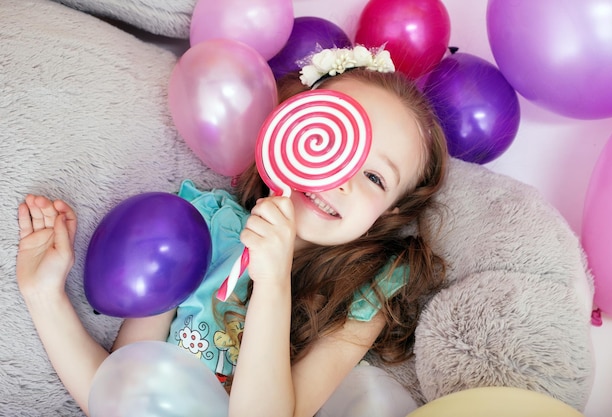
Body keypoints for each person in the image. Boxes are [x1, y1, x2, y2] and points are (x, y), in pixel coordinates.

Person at [16, 46, 449, 417]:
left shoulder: (367, 290)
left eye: (374, 178)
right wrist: (43, 293)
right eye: (330, 139)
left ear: (391, 211)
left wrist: (273, 280)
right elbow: (120, 395)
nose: (340, 177)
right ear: (288, 125)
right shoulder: (197, 229)